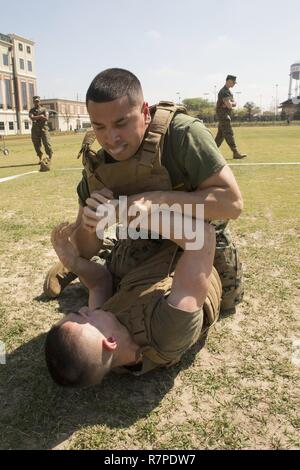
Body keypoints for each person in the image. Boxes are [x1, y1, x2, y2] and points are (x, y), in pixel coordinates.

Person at [44, 68, 244, 387]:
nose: (110, 138)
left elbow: (231, 204)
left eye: (121, 122)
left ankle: (86, 265)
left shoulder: (180, 134)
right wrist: (91, 223)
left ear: (144, 111)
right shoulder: (166, 330)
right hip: (170, 246)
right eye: (98, 127)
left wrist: (156, 200)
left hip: (183, 237)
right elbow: (88, 244)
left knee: (121, 268)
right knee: (221, 300)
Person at [215, 75, 247, 159]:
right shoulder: (224, 91)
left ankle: (210, 152)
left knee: (220, 136)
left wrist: (230, 103)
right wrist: (230, 104)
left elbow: (232, 103)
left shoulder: (227, 91)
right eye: (233, 82)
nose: (234, 84)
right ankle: (235, 152)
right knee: (229, 134)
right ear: (229, 81)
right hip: (224, 116)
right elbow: (230, 105)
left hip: (224, 115)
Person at [29, 96, 53, 170]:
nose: (36, 102)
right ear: (33, 102)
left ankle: (49, 157)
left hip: (44, 129)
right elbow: (31, 117)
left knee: (47, 143)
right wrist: (40, 116)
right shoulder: (31, 110)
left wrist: (38, 117)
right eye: (35, 101)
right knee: (36, 144)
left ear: (40, 101)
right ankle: (40, 158)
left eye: (38, 101)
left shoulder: (44, 109)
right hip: (35, 129)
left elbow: (46, 118)